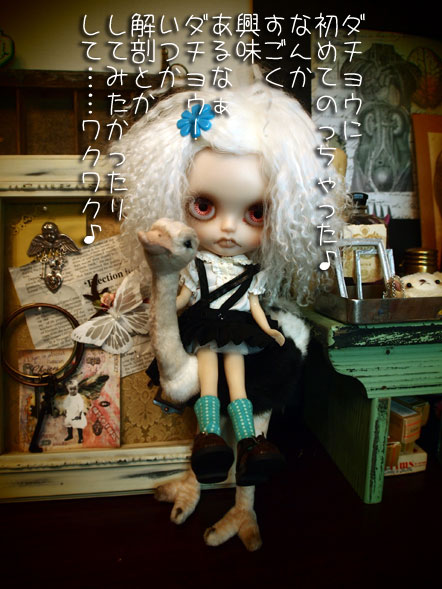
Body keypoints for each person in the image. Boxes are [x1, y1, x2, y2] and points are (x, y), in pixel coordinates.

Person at [118, 79, 346, 486]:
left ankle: (251, 443)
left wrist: (269, 332)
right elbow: (183, 297)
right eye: (204, 206)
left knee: (239, 386)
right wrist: (163, 309)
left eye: (256, 213)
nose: (227, 228)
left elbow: (254, 304)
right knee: (208, 381)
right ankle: (208, 436)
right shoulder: (197, 265)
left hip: (239, 329)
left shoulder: (249, 273)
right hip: (206, 326)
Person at [63, 379, 87, 443]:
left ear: (77, 388)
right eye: (71, 389)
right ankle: (70, 435)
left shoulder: (78, 397)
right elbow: (66, 403)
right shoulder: (68, 397)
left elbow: (81, 405)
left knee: (78, 425)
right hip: (70, 413)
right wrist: (65, 409)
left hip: (77, 413)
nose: (73, 391)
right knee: (68, 423)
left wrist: (79, 413)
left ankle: (80, 438)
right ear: (68, 389)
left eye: (74, 389)